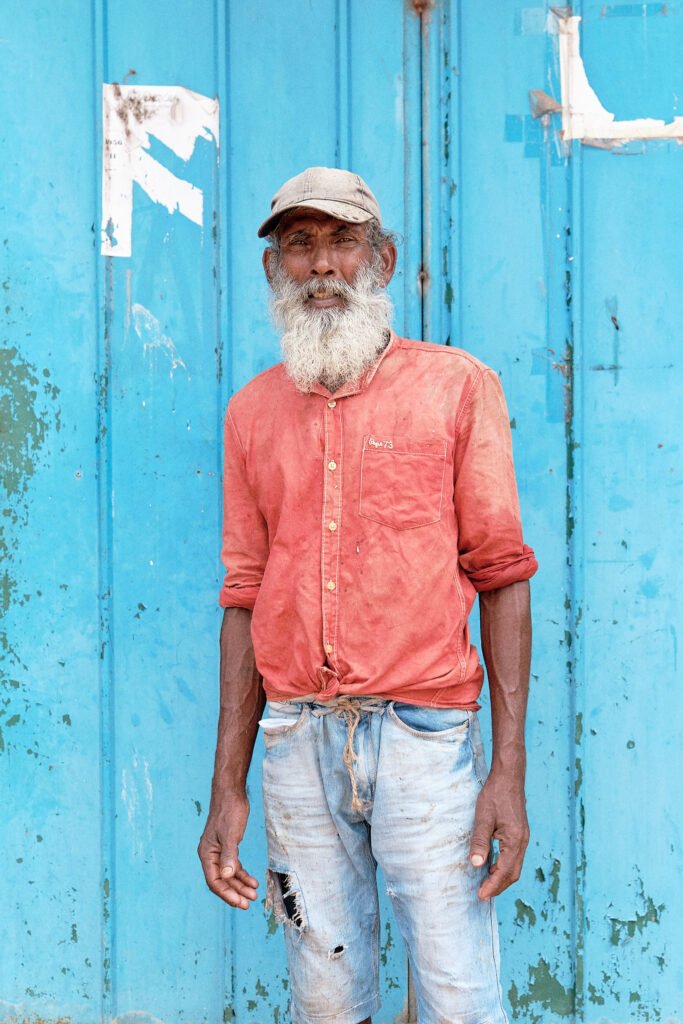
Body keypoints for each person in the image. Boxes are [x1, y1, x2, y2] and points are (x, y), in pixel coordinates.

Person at [198, 166, 537, 1024]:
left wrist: (507, 770)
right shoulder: (251, 413)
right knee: (325, 999)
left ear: (381, 259)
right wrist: (227, 785)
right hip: (295, 740)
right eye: (299, 245)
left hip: (425, 739)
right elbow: (244, 594)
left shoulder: (455, 387)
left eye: (342, 241)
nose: (321, 265)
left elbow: (501, 574)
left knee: (459, 998)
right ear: (273, 269)